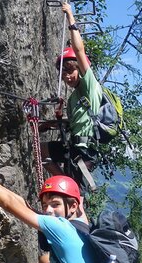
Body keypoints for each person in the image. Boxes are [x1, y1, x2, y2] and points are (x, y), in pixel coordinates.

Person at [41, 2, 103, 186]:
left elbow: (79, 50)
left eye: (70, 71)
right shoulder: (74, 97)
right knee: (42, 151)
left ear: (79, 69)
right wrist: (52, 123)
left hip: (84, 151)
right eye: (63, 73)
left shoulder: (90, 86)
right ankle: (65, 183)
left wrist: (70, 16)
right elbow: (77, 122)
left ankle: (67, 185)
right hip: (74, 147)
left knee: (75, 195)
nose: (67, 76)